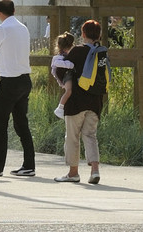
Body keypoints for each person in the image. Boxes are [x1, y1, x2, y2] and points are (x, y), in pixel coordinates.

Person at [0, 0, 34, 177]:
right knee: (21, 124)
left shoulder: (1, 29)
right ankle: (29, 165)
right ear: (14, 11)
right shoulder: (23, 28)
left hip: (9, 81)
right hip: (25, 80)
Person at [56, 19, 108, 184]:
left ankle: (73, 173)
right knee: (90, 135)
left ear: (83, 34)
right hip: (96, 101)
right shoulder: (102, 53)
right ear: (99, 35)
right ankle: (95, 170)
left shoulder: (77, 51)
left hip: (76, 102)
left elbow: (61, 69)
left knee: (72, 137)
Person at [49, 32, 77, 116]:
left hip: (67, 76)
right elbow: (57, 65)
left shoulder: (64, 56)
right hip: (66, 76)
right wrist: (70, 65)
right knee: (69, 91)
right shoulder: (59, 58)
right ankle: (60, 108)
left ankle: (64, 108)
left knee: (70, 92)